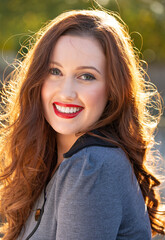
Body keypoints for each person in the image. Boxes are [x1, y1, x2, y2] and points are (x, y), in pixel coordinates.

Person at [0, 9, 165, 240]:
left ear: (113, 90)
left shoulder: (92, 167)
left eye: (86, 76)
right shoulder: (51, 162)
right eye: (54, 71)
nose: (66, 93)